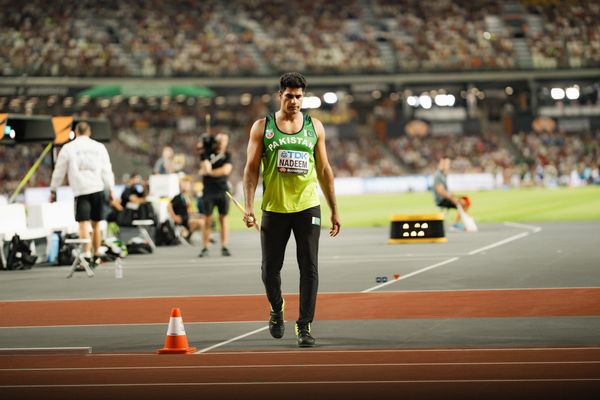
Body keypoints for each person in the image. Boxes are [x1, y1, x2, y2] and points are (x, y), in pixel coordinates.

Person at [242, 72, 340, 347]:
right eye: (289, 96)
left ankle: (304, 325)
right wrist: (249, 206)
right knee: (269, 269)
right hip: (274, 208)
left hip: (307, 207)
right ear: (280, 96)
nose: (294, 101)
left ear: (303, 97)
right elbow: (250, 170)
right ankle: (276, 308)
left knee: (309, 268)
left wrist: (334, 209)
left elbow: (324, 170)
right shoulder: (262, 127)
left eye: (298, 96)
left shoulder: (315, 127)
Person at [49, 121, 115, 265]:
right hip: (97, 188)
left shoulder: (68, 148)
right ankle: (97, 254)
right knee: (96, 224)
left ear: (76, 132)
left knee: (83, 223)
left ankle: (86, 254)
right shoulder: (99, 147)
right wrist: (111, 189)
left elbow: (59, 171)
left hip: (81, 190)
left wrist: (53, 190)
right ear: (89, 132)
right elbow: (107, 169)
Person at [199, 132, 232, 257]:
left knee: (223, 219)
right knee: (207, 219)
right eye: (221, 140)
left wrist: (210, 173)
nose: (223, 143)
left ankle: (224, 246)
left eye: (225, 140)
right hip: (209, 191)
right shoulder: (205, 154)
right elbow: (205, 168)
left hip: (223, 190)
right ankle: (205, 247)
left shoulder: (227, 155)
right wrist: (206, 149)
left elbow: (226, 170)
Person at [432, 157, 471, 229]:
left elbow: (445, 191)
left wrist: (454, 195)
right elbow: (441, 192)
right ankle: (455, 224)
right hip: (441, 200)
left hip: (445, 198)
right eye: (447, 163)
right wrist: (453, 200)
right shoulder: (438, 175)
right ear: (442, 163)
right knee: (463, 203)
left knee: (465, 200)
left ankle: (457, 223)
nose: (448, 165)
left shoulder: (443, 175)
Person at [167, 176, 204, 241]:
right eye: (185, 185)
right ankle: (189, 235)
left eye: (188, 185)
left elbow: (189, 210)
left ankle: (189, 234)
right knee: (200, 223)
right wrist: (174, 216)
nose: (187, 186)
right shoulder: (178, 197)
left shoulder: (187, 197)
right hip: (182, 219)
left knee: (205, 219)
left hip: (187, 217)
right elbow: (169, 206)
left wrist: (196, 214)